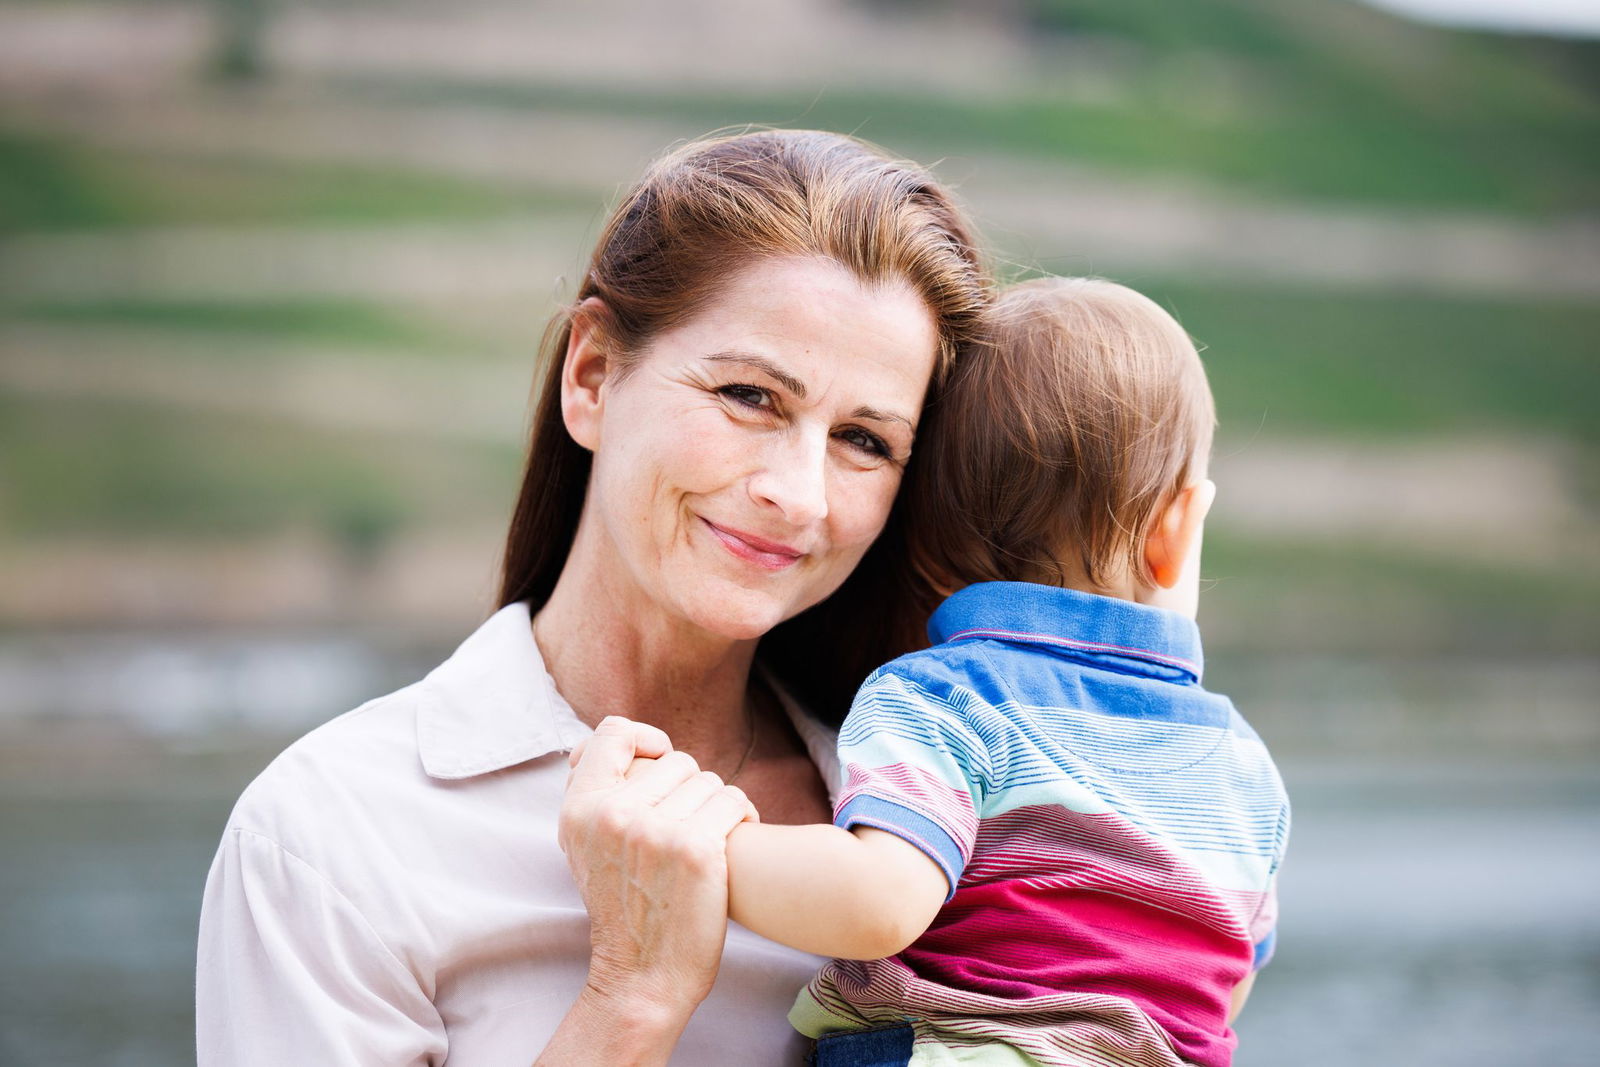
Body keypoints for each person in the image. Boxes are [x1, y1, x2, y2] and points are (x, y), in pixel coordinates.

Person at [195, 129, 989, 1064]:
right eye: (750, 396)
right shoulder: (332, 835)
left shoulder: (947, 834)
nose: (800, 493)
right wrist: (633, 997)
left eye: (864, 440)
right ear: (593, 377)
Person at [702, 277, 1290, 1066]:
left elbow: (879, 898)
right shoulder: (1243, 765)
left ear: (918, 534)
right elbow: (1228, 979)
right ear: (1176, 530)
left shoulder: (943, 698)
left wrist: (705, 838)